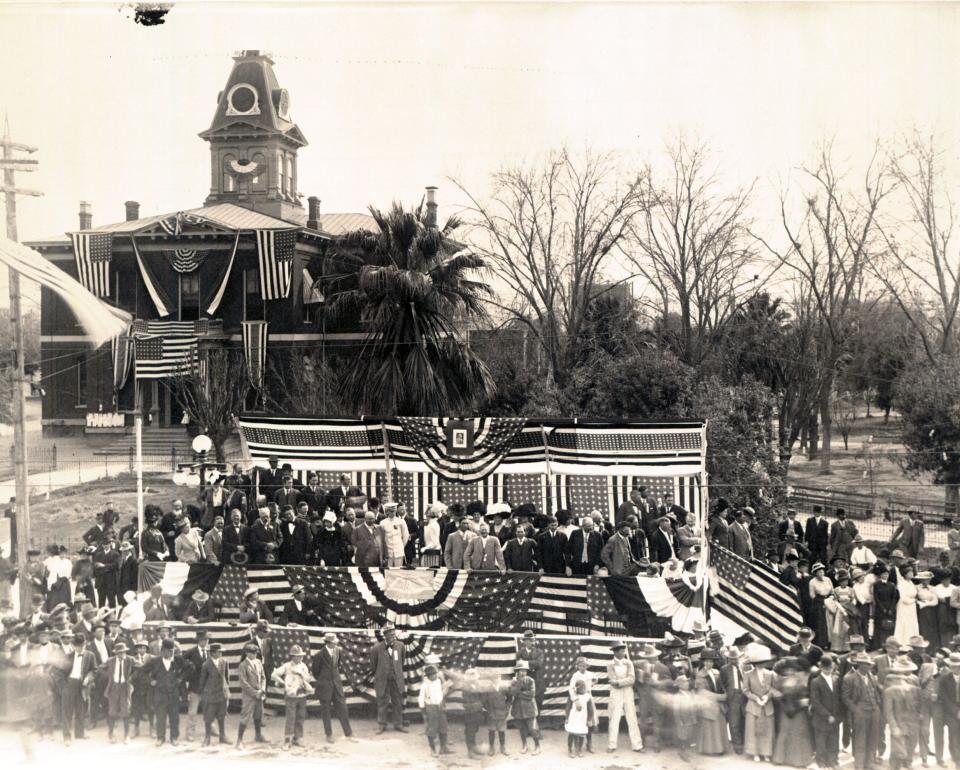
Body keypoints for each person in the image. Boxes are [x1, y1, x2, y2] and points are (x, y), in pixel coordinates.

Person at [149, 636, 193, 747]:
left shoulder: (178, 660)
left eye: (172, 651)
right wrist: (151, 680)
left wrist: (181, 678)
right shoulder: (155, 661)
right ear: (162, 651)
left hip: (174, 695)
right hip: (160, 695)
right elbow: (142, 672)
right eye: (168, 651)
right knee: (160, 718)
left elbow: (191, 667)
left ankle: (174, 737)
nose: (170, 653)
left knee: (174, 718)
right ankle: (160, 738)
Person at [271, 643, 315, 749]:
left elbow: (308, 679)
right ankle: (287, 739)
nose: (300, 657)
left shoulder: (303, 666)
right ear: (293, 656)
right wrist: (283, 683)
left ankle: (297, 738)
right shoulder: (287, 666)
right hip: (291, 695)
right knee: (291, 717)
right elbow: (274, 675)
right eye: (298, 656)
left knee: (300, 716)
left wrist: (302, 675)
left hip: (302, 694)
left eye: (301, 656)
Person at [312, 632, 353, 743]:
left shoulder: (338, 651)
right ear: (328, 642)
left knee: (343, 708)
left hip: (337, 686)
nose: (335, 644)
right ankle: (328, 734)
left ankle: (348, 733)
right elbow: (315, 672)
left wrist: (334, 680)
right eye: (333, 642)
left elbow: (337, 666)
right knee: (326, 711)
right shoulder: (318, 655)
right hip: (324, 687)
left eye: (336, 643)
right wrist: (325, 680)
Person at [606, 640, 644, 753]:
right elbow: (612, 681)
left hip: (628, 692)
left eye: (623, 649)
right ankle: (611, 745)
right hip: (616, 693)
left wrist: (619, 682)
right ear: (615, 652)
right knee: (614, 718)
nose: (623, 652)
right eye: (621, 650)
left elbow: (632, 679)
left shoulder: (629, 663)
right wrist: (619, 682)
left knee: (632, 718)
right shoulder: (610, 665)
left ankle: (637, 745)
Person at [885, 661, 922, 770]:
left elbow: (920, 705)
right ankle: (894, 766)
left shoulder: (915, 689)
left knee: (911, 745)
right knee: (897, 751)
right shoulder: (890, 691)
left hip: (913, 722)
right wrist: (894, 727)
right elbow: (888, 712)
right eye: (899, 674)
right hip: (899, 723)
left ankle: (908, 763)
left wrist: (919, 717)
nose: (902, 677)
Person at [370, 624, 407, 733]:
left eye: (393, 634)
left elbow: (401, 662)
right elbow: (373, 666)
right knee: (382, 703)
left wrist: (396, 673)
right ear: (384, 635)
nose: (392, 636)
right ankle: (382, 725)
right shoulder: (376, 648)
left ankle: (398, 724)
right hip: (382, 681)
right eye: (390, 634)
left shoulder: (401, 646)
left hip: (396, 680)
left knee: (398, 702)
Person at [743, 646, 775, 762]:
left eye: (764, 662)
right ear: (755, 663)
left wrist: (767, 696)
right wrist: (756, 699)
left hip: (767, 706)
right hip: (753, 707)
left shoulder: (770, 674)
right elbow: (745, 690)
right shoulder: (748, 674)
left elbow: (773, 689)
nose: (762, 665)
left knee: (767, 730)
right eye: (759, 663)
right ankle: (755, 753)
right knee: (753, 731)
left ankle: (766, 753)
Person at [810, 653, 842, 769]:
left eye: (830, 668)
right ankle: (822, 764)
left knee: (834, 741)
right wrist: (827, 715)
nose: (828, 670)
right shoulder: (815, 682)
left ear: (833, 667)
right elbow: (815, 702)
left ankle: (832, 762)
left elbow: (838, 698)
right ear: (821, 668)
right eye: (825, 668)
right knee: (821, 743)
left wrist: (838, 716)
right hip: (821, 719)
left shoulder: (836, 679)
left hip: (835, 718)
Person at [694, 649, 728, 756]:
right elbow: (702, 692)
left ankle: (720, 748)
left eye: (711, 661)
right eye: (707, 661)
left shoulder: (716, 672)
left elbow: (721, 686)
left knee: (719, 726)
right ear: (703, 662)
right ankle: (710, 750)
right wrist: (719, 697)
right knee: (710, 728)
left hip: (718, 705)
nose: (709, 663)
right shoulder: (700, 675)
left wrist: (725, 694)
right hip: (708, 705)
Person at [236, 641, 268, 749]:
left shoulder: (258, 662)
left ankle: (258, 735)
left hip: (259, 694)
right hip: (249, 696)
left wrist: (262, 690)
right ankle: (239, 740)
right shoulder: (242, 665)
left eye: (255, 652)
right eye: (252, 653)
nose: (254, 654)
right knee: (245, 717)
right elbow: (243, 683)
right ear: (247, 653)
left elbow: (263, 677)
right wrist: (255, 693)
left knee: (258, 715)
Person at [197, 642, 230, 746]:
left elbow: (227, 678)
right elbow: (202, 680)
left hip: (221, 694)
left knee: (222, 716)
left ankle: (223, 736)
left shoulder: (224, 662)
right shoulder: (206, 665)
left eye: (221, 652)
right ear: (213, 653)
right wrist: (201, 694)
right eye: (219, 652)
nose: (221, 654)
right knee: (208, 717)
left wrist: (226, 690)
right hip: (210, 695)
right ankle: (207, 738)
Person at [417, 663, 452, 757]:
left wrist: (443, 701)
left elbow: (441, 693)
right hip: (430, 708)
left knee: (443, 727)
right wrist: (424, 712)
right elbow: (420, 699)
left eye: (435, 674)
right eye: (433, 674)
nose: (435, 676)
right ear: (428, 676)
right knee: (432, 729)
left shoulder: (438, 682)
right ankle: (432, 750)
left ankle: (443, 747)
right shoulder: (424, 686)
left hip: (440, 706)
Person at [510, 660, 541, 755]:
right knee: (521, 728)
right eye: (520, 670)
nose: (523, 673)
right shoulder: (514, 682)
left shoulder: (531, 680)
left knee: (532, 729)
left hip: (529, 708)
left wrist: (519, 694)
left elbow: (531, 694)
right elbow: (513, 693)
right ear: (517, 671)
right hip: (518, 708)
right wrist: (518, 684)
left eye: (524, 671)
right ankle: (524, 745)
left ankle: (537, 746)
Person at [564, 678, 593, 758]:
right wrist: (567, 718)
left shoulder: (587, 696)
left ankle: (579, 749)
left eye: (584, 687)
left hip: (582, 718)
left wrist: (589, 719)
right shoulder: (572, 696)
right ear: (577, 688)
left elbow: (590, 709)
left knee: (581, 734)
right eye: (581, 687)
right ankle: (570, 749)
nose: (583, 689)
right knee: (572, 733)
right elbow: (568, 707)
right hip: (573, 717)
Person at [872, 565, 899, 650]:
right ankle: (879, 645)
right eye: (884, 574)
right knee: (880, 627)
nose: (885, 575)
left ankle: (889, 646)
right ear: (880, 575)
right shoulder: (876, 584)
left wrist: (891, 608)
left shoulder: (892, 585)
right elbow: (876, 598)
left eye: (887, 574)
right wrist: (882, 608)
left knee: (889, 627)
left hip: (890, 609)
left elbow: (895, 597)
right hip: (880, 609)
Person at [895, 564, 921, 645]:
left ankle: (912, 643)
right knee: (905, 624)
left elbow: (915, 593)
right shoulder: (901, 584)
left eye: (912, 572)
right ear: (905, 574)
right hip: (904, 607)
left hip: (911, 607)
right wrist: (914, 600)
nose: (912, 574)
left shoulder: (911, 583)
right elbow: (903, 598)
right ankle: (904, 643)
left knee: (912, 623)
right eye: (910, 572)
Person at [809, 562, 833, 648]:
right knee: (821, 623)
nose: (821, 573)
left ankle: (831, 642)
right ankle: (821, 643)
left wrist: (830, 598)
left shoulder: (828, 579)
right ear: (815, 573)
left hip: (829, 601)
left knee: (830, 621)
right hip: (818, 603)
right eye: (819, 571)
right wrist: (821, 602)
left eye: (822, 571)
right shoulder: (812, 582)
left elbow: (832, 591)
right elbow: (812, 595)